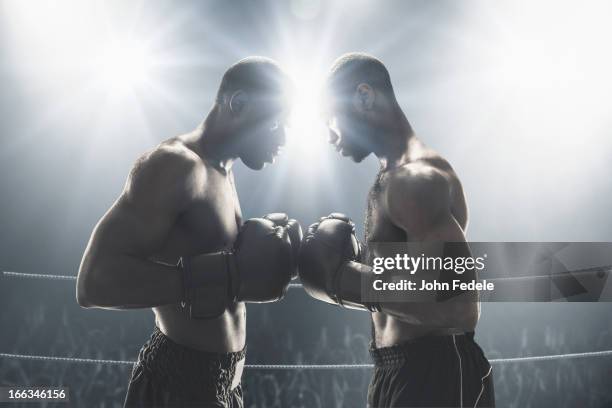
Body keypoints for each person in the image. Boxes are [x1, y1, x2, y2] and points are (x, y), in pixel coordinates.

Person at [76, 56, 302, 408]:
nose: (285, 138)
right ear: (239, 103)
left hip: (227, 387)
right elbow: (93, 283)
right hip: (176, 386)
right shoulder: (176, 166)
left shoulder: (223, 171)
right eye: (278, 123)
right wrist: (224, 277)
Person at [298, 53, 495, 407]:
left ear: (363, 96)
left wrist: (346, 280)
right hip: (396, 370)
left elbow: (457, 305)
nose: (329, 135)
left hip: (435, 371)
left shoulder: (414, 179)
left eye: (330, 119)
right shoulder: (392, 179)